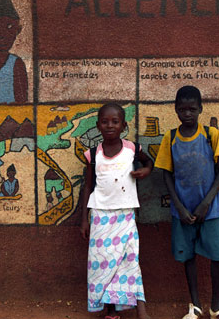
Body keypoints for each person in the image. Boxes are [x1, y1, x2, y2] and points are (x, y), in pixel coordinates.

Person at [154, 86, 219, 319]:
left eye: (192, 109)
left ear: (200, 109)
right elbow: (166, 173)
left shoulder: (210, 135)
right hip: (183, 210)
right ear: (176, 110)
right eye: (182, 109)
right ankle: (195, 305)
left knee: (217, 256)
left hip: (210, 209)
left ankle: (217, 306)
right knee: (188, 256)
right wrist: (178, 205)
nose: (187, 113)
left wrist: (206, 203)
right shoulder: (170, 138)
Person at [80, 103, 153, 319]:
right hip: (101, 216)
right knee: (103, 263)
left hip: (125, 214)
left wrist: (146, 170)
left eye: (115, 122)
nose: (110, 125)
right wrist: (84, 219)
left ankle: (141, 309)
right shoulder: (93, 154)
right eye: (105, 122)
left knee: (129, 259)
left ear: (123, 125)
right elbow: (88, 186)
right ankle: (110, 309)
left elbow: (149, 162)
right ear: (98, 126)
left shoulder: (132, 149)